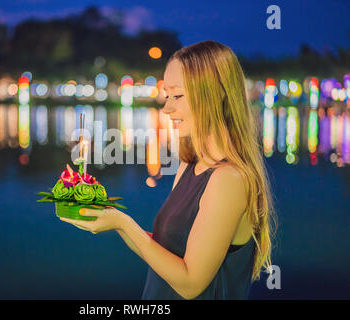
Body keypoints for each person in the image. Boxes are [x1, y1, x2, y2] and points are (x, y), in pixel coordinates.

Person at [59, 40, 276, 300]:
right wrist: (113, 219)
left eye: (178, 96)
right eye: (167, 96)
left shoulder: (228, 179)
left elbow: (190, 283)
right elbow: (167, 252)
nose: (167, 108)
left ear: (214, 94)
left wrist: (125, 225)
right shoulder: (190, 164)